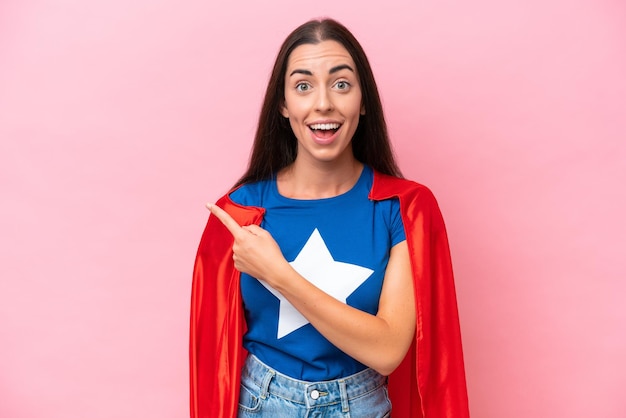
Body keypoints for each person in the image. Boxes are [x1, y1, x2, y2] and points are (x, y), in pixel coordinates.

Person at [190, 18, 469, 418]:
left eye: (341, 84)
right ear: (283, 105)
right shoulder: (239, 214)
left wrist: (279, 275)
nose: (324, 103)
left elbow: (388, 351)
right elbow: (211, 365)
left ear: (363, 100)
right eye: (303, 86)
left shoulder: (404, 208)